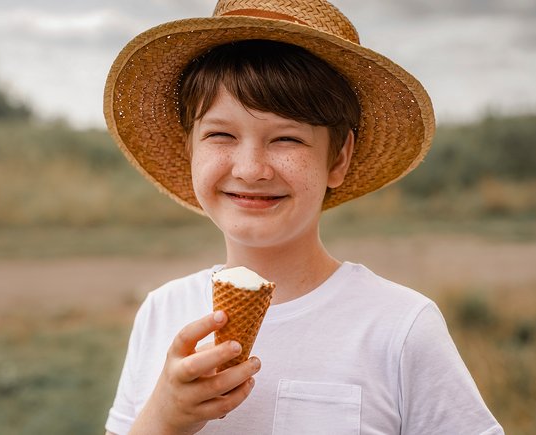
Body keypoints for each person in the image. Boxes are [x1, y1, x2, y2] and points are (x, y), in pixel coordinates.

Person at [102, 1, 504, 434]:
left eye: (286, 138)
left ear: (339, 158)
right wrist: (164, 417)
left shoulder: (400, 327)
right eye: (221, 134)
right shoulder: (162, 312)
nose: (251, 168)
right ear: (190, 148)